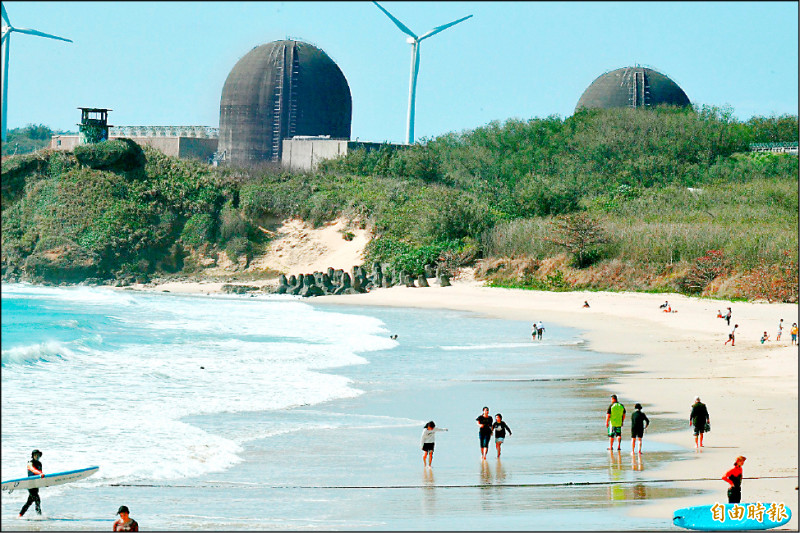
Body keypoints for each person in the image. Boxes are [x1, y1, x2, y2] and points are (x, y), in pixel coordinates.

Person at [18, 449, 45, 517]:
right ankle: (40, 516)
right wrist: (40, 473)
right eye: (35, 455)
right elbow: (33, 469)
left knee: (29, 502)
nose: (37, 456)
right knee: (37, 500)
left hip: (36, 485)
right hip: (30, 485)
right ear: (33, 456)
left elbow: (41, 476)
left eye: (38, 455)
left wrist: (45, 483)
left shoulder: (39, 464)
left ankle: (20, 515)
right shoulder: (30, 463)